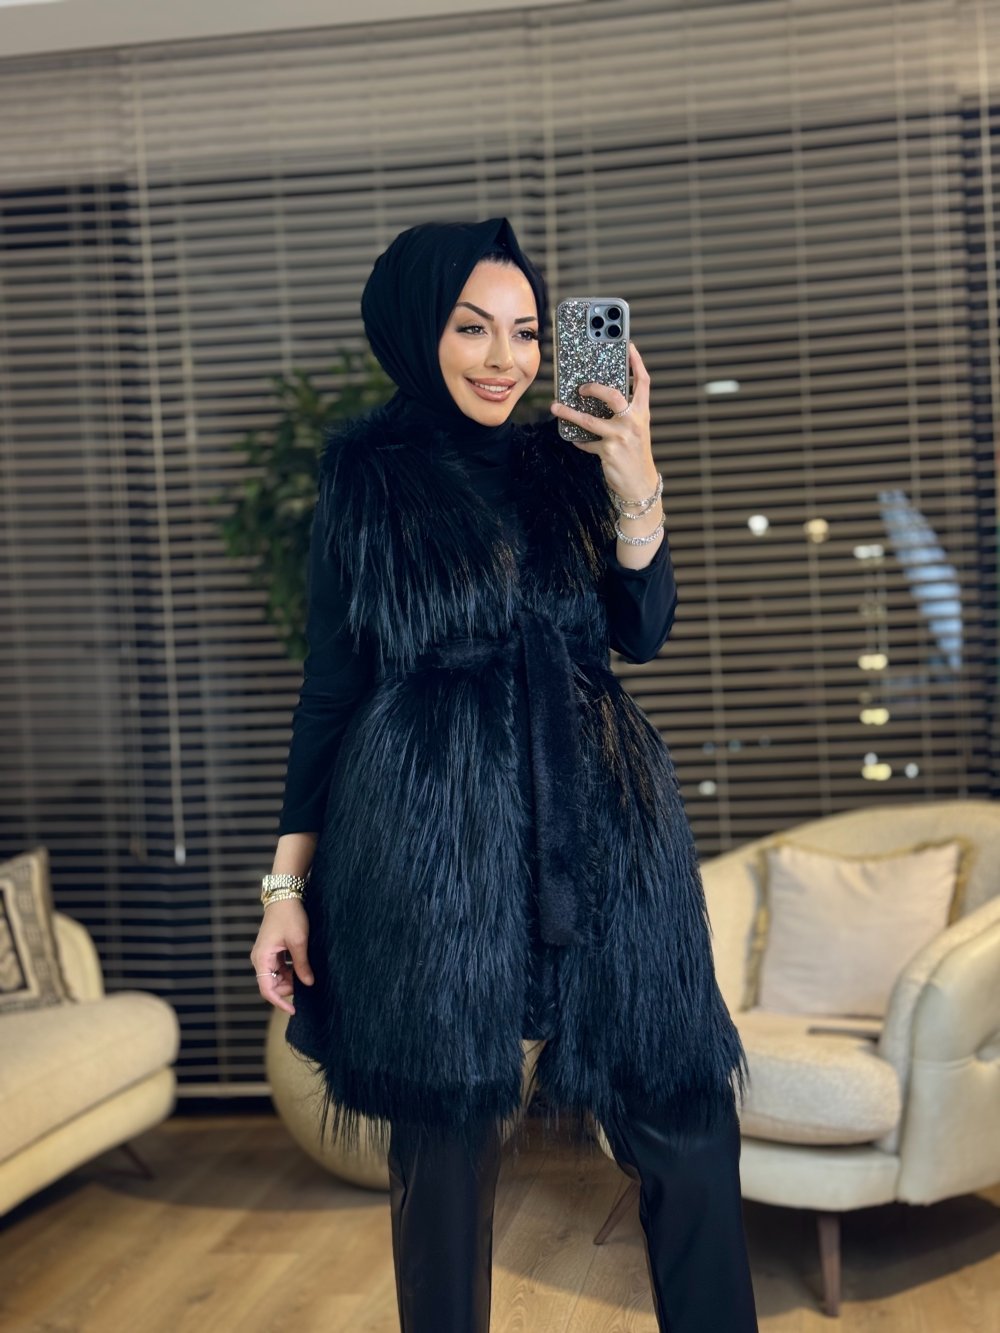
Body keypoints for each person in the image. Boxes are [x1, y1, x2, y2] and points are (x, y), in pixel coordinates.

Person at [250, 216, 758, 1333]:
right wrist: (285, 891)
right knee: (444, 1144)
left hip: (604, 817)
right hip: (432, 832)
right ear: (415, 329)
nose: (505, 359)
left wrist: (635, 478)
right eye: (473, 327)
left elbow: (643, 631)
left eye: (527, 332)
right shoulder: (367, 483)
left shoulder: (567, 461)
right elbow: (330, 692)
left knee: (684, 1115)